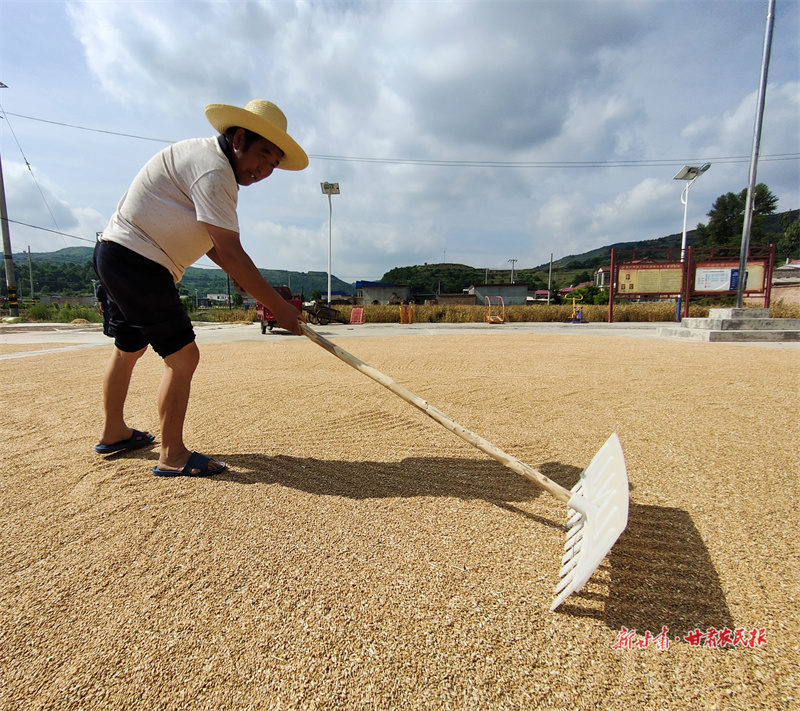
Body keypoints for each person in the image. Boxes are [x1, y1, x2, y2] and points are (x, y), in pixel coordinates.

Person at [93, 99, 307, 477]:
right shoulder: (214, 171)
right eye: (263, 154)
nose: (264, 169)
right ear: (239, 137)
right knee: (183, 358)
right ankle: (172, 455)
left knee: (129, 347)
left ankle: (115, 433)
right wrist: (279, 306)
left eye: (274, 164)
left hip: (117, 253)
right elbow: (228, 248)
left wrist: (259, 292)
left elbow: (214, 247)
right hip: (140, 262)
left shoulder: (203, 158)